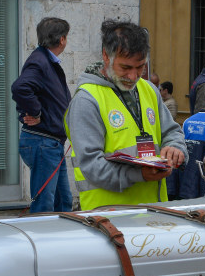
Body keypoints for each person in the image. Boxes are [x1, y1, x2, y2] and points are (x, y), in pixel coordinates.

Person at [65, 19, 186, 210]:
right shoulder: (87, 100)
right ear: (106, 55)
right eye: (126, 68)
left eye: (140, 67)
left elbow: (172, 132)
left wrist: (175, 148)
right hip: (108, 216)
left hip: (154, 213)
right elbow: (91, 166)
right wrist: (139, 175)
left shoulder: (149, 89)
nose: (133, 76)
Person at [12, 17, 72, 213]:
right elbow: (20, 88)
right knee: (44, 205)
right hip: (43, 142)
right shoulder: (39, 61)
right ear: (62, 39)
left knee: (63, 202)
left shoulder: (46, 60)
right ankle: (38, 233)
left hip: (50, 143)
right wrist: (35, 112)